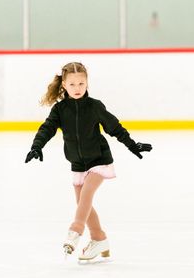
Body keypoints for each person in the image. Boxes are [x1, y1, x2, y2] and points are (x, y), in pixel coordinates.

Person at [25, 62, 152, 261]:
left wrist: (132, 145)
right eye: (73, 84)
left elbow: (114, 127)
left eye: (81, 84)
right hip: (77, 163)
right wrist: (36, 146)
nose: (77, 88)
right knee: (83, 202)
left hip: (99, 159)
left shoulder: (94, 106)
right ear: (64, 85)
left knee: (85, 197)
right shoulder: (60, 109)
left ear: (87, 83)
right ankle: (99, 238)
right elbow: (47, 129)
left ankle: (74, 232)